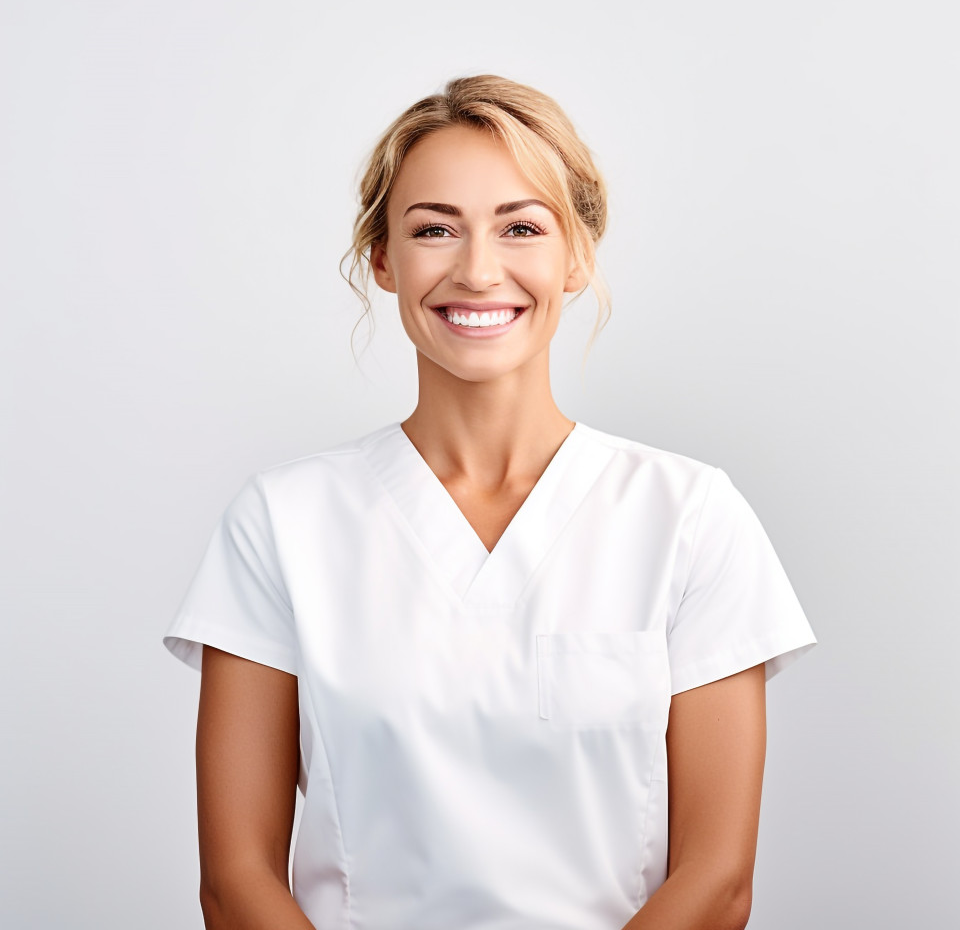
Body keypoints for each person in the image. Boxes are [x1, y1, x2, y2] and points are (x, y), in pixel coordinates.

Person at [163, 74, 816, 930]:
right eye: (435, 229)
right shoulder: (283, 523)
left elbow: (717, 880)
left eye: (521, 228)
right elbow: (237, 881)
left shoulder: (689, 518)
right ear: (384, 260)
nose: (477, 270)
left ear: (576, 255)